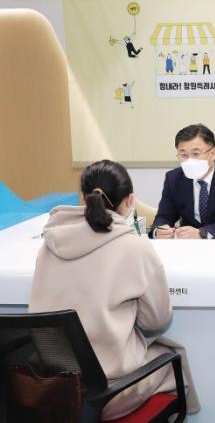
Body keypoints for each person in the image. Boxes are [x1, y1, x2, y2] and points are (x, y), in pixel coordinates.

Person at [29, 160, 200, 420]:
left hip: (54, 389)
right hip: (109, 393)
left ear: (82, 198)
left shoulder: (49, 244)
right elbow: (156, 320)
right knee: (172, 359)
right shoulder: (135, 248)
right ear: (130, 201)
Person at [152, 123, 215, 239]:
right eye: (183, 155)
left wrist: (202, 233)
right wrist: (158, 230)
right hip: (188, 244)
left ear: (212, 153)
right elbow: (164, 216)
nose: (189, 161)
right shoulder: (173, 178)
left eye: (196, 154)